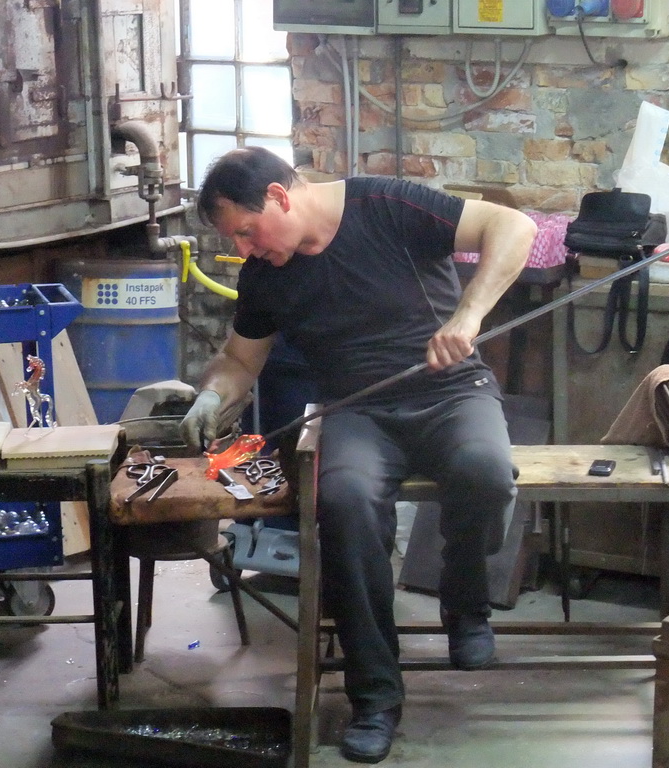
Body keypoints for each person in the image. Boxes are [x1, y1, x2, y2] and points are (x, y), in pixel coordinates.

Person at [180, 146, 537, 763]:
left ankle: (465, 599)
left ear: (279, 196)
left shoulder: (384, 204)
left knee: (484, 472)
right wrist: (211, 397)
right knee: (341, 503)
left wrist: (468, 317)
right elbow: (241, 361)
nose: (244, 249)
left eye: (245, 230)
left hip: (450, 391)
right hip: (355, 410)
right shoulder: (267, 275)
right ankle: (374, 694)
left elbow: (515, 225)